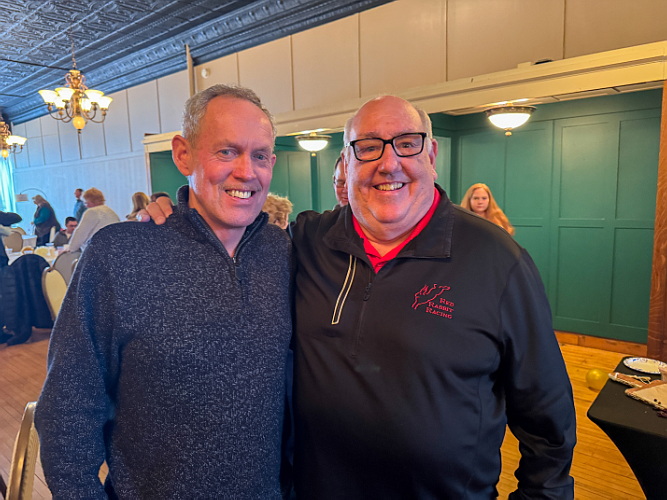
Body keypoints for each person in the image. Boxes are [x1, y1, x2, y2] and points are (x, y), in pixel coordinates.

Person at [144, 95, 576, 498]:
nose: (389, 163)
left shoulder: (497, 259)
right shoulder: (306, 241)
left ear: (430, 156)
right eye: (368, 148)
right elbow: (227, 235)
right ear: (346, 164)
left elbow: (547, 419)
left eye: (407, 144)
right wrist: (174, 220)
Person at [35, 84, 292, 499]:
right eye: (227, 151)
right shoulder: (119, 254)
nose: (247, 171)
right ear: (183, 154)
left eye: (260, 155)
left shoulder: (282, 252)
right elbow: (68, 407)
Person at [67, 187, 120, 252]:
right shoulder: (111, 212)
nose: (86, 206)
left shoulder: (92, 212)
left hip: (97, 250)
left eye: (86, 203)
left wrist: (70, 248)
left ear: (90, 201)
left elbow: (81, 233)